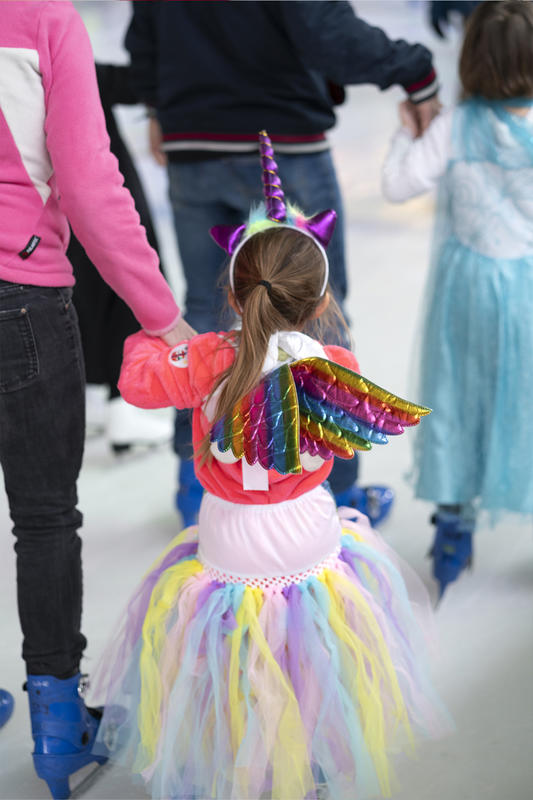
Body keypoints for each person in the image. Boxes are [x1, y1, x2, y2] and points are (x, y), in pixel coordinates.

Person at [89, 132, 449, 800]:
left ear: (231, 295)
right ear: (318, 304)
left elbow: (138, 382)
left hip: (231, 541)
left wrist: (157, 330)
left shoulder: (204, 360)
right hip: (306, 531)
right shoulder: (333, 367)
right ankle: (304, 768)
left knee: (231, 657)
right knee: (309, 652)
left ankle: (241, 758)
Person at [124, 0, 441, 527]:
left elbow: (145, 39)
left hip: (191, 139)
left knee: (204, 308)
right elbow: (327, 32)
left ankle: (197, 481)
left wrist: (160, 107)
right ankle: (332, 495)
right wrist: (417, 71)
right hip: (284, 135)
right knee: (308, 311)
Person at [0, 3, 193, 798]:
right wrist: (162, 314)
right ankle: (56, 731)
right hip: (22, 295)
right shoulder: (42, 21)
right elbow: (86, 179)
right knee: (44, 515)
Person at [382, 0, 533, 598]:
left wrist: (405, 129)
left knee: (457, 398)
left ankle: (451, 529)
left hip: (466, 291)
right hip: (527, 291)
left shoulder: (454, 126)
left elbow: (397, 184)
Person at [67, 63, 172, 453]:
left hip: (38, 192)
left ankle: (97, 396)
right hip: (93, 180)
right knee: (127, 274)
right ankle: (122, 401)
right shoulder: (44, 27)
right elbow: (129, 79)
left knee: (74, 281)